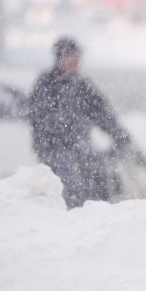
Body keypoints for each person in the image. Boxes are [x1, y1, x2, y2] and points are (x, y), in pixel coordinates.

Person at [28, 37, 134, 207]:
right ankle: (71, 221)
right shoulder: (46, 85)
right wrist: (61, 135)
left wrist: (120, 135)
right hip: (54, 150)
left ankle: (97, 218)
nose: (75, 61)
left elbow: (102, 113)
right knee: (72, 187)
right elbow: (41, 119)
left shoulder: (82, 85)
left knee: (98, 182)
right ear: (60, 58)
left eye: (77, 57)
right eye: (71, 57)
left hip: (80, 146)